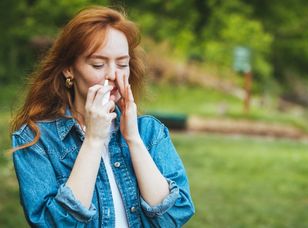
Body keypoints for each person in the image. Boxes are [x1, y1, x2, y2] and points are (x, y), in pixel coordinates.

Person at [10, 6, 195, 227]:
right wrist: (93, 141)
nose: (113, 75)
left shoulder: (149, 132)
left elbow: (175, 215)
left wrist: (134, 140)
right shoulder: (36, 139)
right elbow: (50, 224)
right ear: (69, 69)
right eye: (98, 64)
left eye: (122, 64)